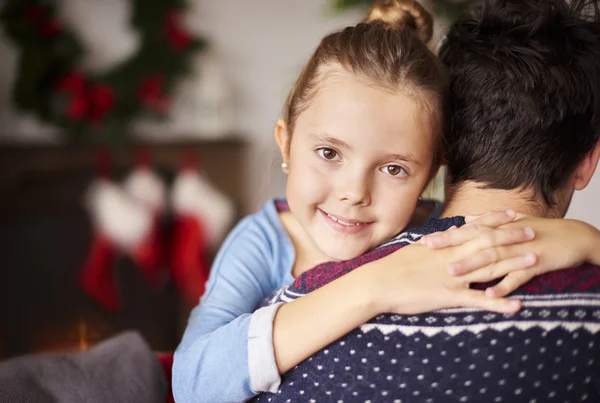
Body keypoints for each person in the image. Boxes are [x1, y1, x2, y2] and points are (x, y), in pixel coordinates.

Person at [172, 1, 600, 402]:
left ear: (430, 175)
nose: (354, 192)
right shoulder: (261, 242)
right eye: (329, 153)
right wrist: (376, 285)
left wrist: (587, 239)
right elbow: (192, 383)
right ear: (285, 144)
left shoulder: (442, 233)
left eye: (394, 169)